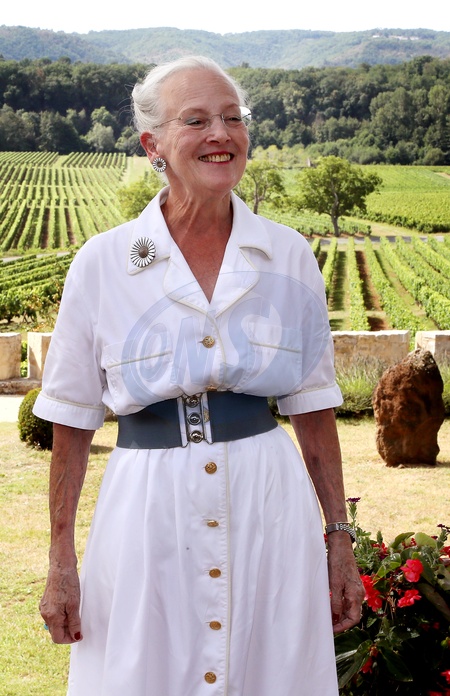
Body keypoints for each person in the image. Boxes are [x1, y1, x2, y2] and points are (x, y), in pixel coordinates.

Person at [34, 55, 364, 695]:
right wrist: (60, 560)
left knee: (271, 670)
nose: (221, 134)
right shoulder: (103, 264)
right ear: (151, 145)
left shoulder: (288, 255)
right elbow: (71, 419)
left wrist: (338, 540)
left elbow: (314, 406)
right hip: (145, 508)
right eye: (196, 120)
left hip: (269, 503)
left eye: (233, 118)